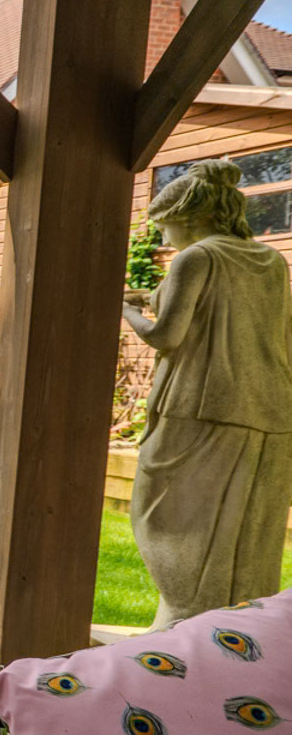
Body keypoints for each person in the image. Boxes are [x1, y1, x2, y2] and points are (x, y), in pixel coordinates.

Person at [122, 159, 292, 629]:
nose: (164, 239)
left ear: (192, 218)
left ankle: (182, 622)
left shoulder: (197, 257)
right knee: (247, 530)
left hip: (198, 407)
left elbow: (166, 336)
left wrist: (127, 311)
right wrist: (152, 296)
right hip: (269, 409)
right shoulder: (271, 262)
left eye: (165, 227)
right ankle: (234, 633)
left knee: (164, 517)